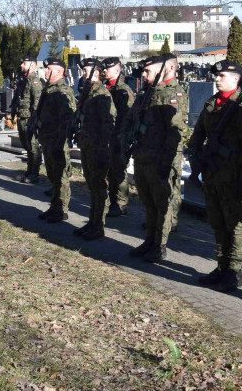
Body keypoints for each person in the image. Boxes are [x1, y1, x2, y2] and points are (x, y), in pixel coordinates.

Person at [186, 59, 242, 292]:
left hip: (233, 176)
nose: (216, 79)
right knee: (218, 223)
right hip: (212, 173)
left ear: (236, 79)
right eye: (216, 76)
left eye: (222, 76)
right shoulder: (212, 103)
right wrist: (195, 157)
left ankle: (234, 271)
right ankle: (222, 266)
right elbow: (198, 135)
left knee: (234, 224)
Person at [128, 53, 187, 262]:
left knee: (162, 203)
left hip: (161, 159)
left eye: (147, 71)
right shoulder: (148, 93)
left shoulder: (173, 94)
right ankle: (149, 240)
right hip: (144, 156)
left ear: (167, 70)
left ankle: (159, 246)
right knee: (149, 202)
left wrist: (167, 163)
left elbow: (175, 133)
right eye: (144, 71)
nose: (144, 75)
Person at [74, 58, 115, 240]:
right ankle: (92, 222)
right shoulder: (88, 92)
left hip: (98, 147)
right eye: (83, 71)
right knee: (91, 185)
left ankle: (98, 225)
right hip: (87, 144)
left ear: (97, 73)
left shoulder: (102, 94)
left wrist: (102, 147)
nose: (84, 73)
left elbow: (108, 123)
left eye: (87, 71)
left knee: (98, 187)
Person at [36, 58, 77, 223]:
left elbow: (69, 117)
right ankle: (54, 207)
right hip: (48, 139)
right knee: (52, 175)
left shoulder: (63, 90)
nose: (45, 72)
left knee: (61, 176)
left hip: (58, 140)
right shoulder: (49, 89)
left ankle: (62, 209)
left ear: (59, 71)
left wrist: (63, 139)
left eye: (49, 69)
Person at [102, 57, 134, 216]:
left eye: (108, 68)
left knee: (119, 171)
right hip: (107, 136)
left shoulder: (123, 90)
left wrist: (122, 138)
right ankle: (113, 201)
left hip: (118, 137)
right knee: (110, 171)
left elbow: (127, 117)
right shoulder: (105, 88)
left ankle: (121, 204)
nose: (104, 71)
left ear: (117, 69)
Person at [13, 56, 43, 183]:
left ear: (32, 65)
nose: (21, 65)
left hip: (30, 118)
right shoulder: (23, 80)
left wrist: (35, 121)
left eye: (24, 63)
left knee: (33, 146)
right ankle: (29, 171)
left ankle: (34, 173)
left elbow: (37, 103)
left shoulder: (34, 81)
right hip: (22, 116)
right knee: (27, 145)